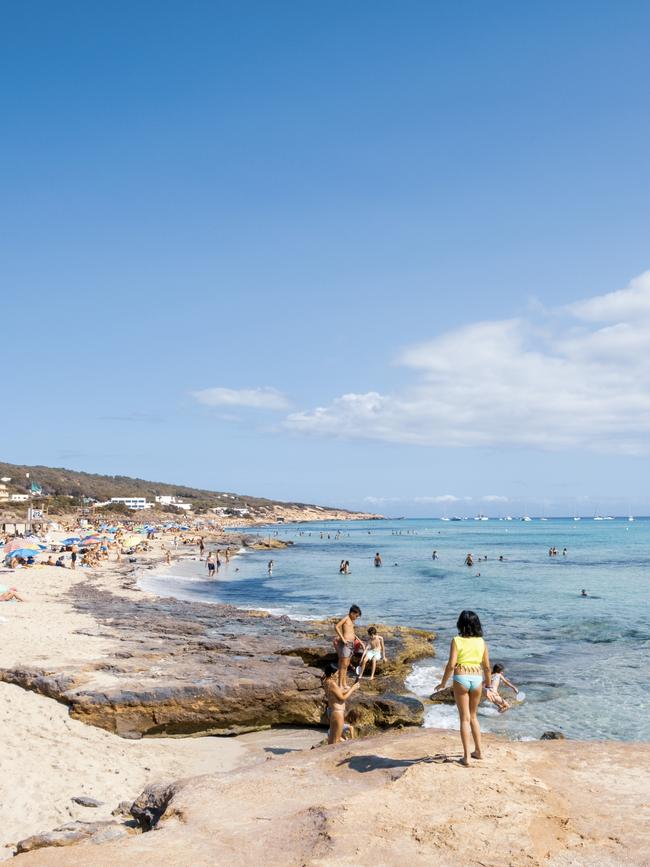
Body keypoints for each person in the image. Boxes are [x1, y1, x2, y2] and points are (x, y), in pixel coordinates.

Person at [434, 610, 493, 766]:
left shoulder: (456, 640)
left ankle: (466, 757)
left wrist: (443, 683)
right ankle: (479, 751)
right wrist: (489, 685)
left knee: (464, 719)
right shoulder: (481, 641)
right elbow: (487, 666)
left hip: (461, 678)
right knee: (474, 717)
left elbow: (451, 664)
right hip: (477, 678)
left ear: (460, 624)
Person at [321, 662, 360, 744]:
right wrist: (353, 689)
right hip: (338, 713)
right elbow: (342, 698)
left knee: (332, 738)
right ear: (332, 674)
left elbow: (337, 692)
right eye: (337, 673)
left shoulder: (326, 682)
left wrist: (348, 689)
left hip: (333, 711)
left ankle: (328, 754)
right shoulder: (332, 684)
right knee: (337, 739)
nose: (338, 675)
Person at [334, 604, 363, 688]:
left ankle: (344, 684)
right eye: (356, 616)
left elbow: (352, 633)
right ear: (352, 613)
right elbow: (336, 627)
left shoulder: (351, 621)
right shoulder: (346, 618)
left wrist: (359, 641)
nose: (356, 618)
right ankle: (340, 685)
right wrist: (342, 639)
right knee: (343, 665)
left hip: (351, 644)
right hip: (346, 644)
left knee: (346, 665)